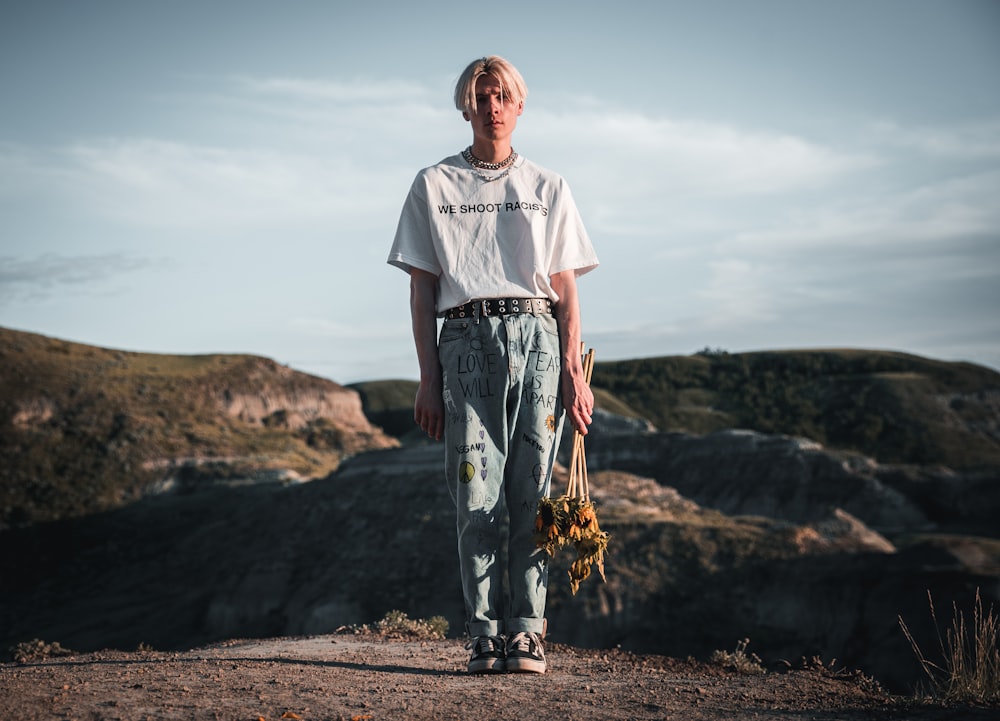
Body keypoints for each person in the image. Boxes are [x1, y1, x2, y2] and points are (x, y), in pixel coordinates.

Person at [387, 55, 598, 674]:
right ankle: (484, 631)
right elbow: (422, 289)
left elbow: (566, 289)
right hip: (464, 340)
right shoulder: (434, 184)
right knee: (475, 492)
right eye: (481, 95)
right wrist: (428, 377)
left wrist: (573, 372)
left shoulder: (548, 187)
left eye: (502, 94)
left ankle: (527, 631)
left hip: (536, 335)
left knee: (532, 489)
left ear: (520, 104)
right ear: (465, 106)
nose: (492, 105)